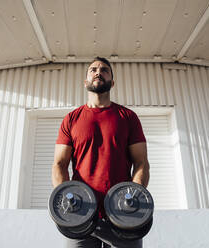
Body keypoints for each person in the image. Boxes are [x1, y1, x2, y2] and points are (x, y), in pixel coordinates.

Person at [52, 56, 150, 248]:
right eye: (93, 69)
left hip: (122, 214)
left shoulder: (128, 117)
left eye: (104, 70)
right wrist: (67, 203)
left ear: (112, 82)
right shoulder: (71, 119)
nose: (98, 72)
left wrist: (135, 198)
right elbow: (59, 164)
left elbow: (141, 163)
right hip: (81, 214)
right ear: (86, 81)